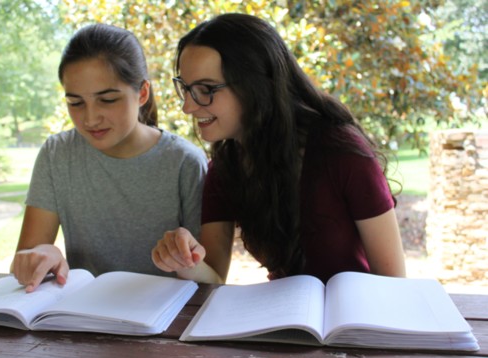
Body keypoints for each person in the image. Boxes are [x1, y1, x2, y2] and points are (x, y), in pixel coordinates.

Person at [152, 13, 406, 284]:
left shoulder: (342, 152)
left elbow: (394, 282)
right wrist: (184, 259)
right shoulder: (225, 168)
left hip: (355, 317)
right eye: (186, 88)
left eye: (206, 89)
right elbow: (213, 280)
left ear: (256, 85)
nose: (188, 107)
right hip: (285, 314)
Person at [11, 23, 208, 292]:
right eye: (76, 103)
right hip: (82, 320)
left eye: (107, 100)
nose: (90, 118)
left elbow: (208, 280)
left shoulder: (185, 162)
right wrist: (45, 258)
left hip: (166, 322)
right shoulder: (57, 154)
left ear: (142, 93)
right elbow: (24, 265)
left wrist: (186, 257)